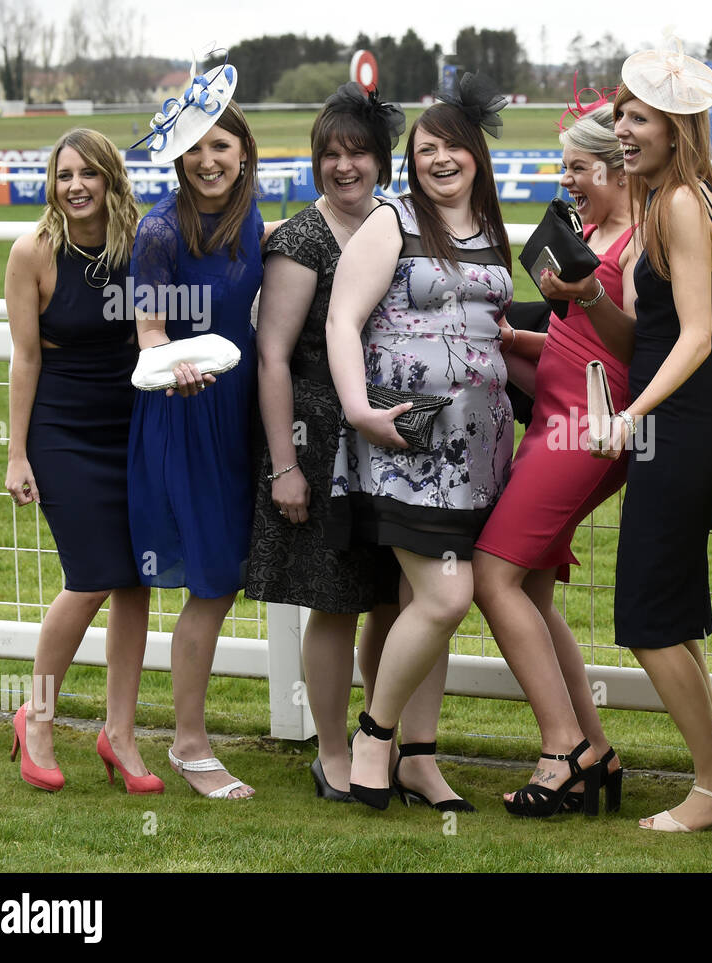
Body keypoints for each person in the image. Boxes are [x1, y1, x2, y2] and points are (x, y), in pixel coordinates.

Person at [245, 83, 469, 808]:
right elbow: (273, 356)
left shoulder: (395, 222)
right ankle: (334, 750)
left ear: (380, 160)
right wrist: (285, 464)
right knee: (334, 602)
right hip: (317, 438)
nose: (344, 167)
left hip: (391, 436)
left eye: (358, 153)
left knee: (392, 600)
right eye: (330, 155)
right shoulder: (300, 240)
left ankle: (391, 743)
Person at [325, 73, 514, 811]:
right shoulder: (390, 221)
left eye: (451, 147)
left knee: (417, 597)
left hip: (478, 450)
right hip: (403, 439)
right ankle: (376, 736)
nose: (438, 158)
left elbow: (490, 331)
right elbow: (344, 320)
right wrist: (355, 408)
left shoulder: (494, 231)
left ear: (475, 154)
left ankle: (421, 758)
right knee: (444, 595)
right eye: (424, 148)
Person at [591, 41, 712, 832]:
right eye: (620, 113)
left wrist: (631, 415)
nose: (622, 128)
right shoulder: (666, 198)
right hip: (672, 417)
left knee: (648, 615)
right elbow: (645, 332)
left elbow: (691, 337)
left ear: (677, 127)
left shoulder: (683, 202)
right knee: (672, 611)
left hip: (678, 421)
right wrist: (581, 296)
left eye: (639, 116)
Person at [473, 95, 634, 816]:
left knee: (492, 574)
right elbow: (576, 343)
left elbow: (633, 348)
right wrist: (516, 339)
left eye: (578, 167)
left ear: (615, 164)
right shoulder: (594, 229)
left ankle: (561, 748)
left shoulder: (639, 240)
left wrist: (592, 292)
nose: (566, 180)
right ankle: (593, 749)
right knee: (530, 589)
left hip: (588, 428)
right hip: (555, 415)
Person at [128, 65, 275, 799]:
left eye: (221, 145)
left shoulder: (250, 218)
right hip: (184, 413)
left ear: (243, 152)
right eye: (194, 150)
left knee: (223, 578)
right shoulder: (157, 232)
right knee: (211, 582)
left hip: (239, 413)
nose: (208, 159)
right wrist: (175, 364)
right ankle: (188, 743)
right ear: (178, 161)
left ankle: (176, 737)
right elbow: (149, 336)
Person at [3, 129, 159, 794]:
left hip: (132, 424)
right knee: (91, 577)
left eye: (88, 174)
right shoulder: (33, 251)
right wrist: (16, 453)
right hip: (62, 430)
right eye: (63, 174)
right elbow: (26, 358)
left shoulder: (140, 242)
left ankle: (119, 734)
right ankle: (35, 716)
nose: (75, 186)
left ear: (109, 179)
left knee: (135, 581)